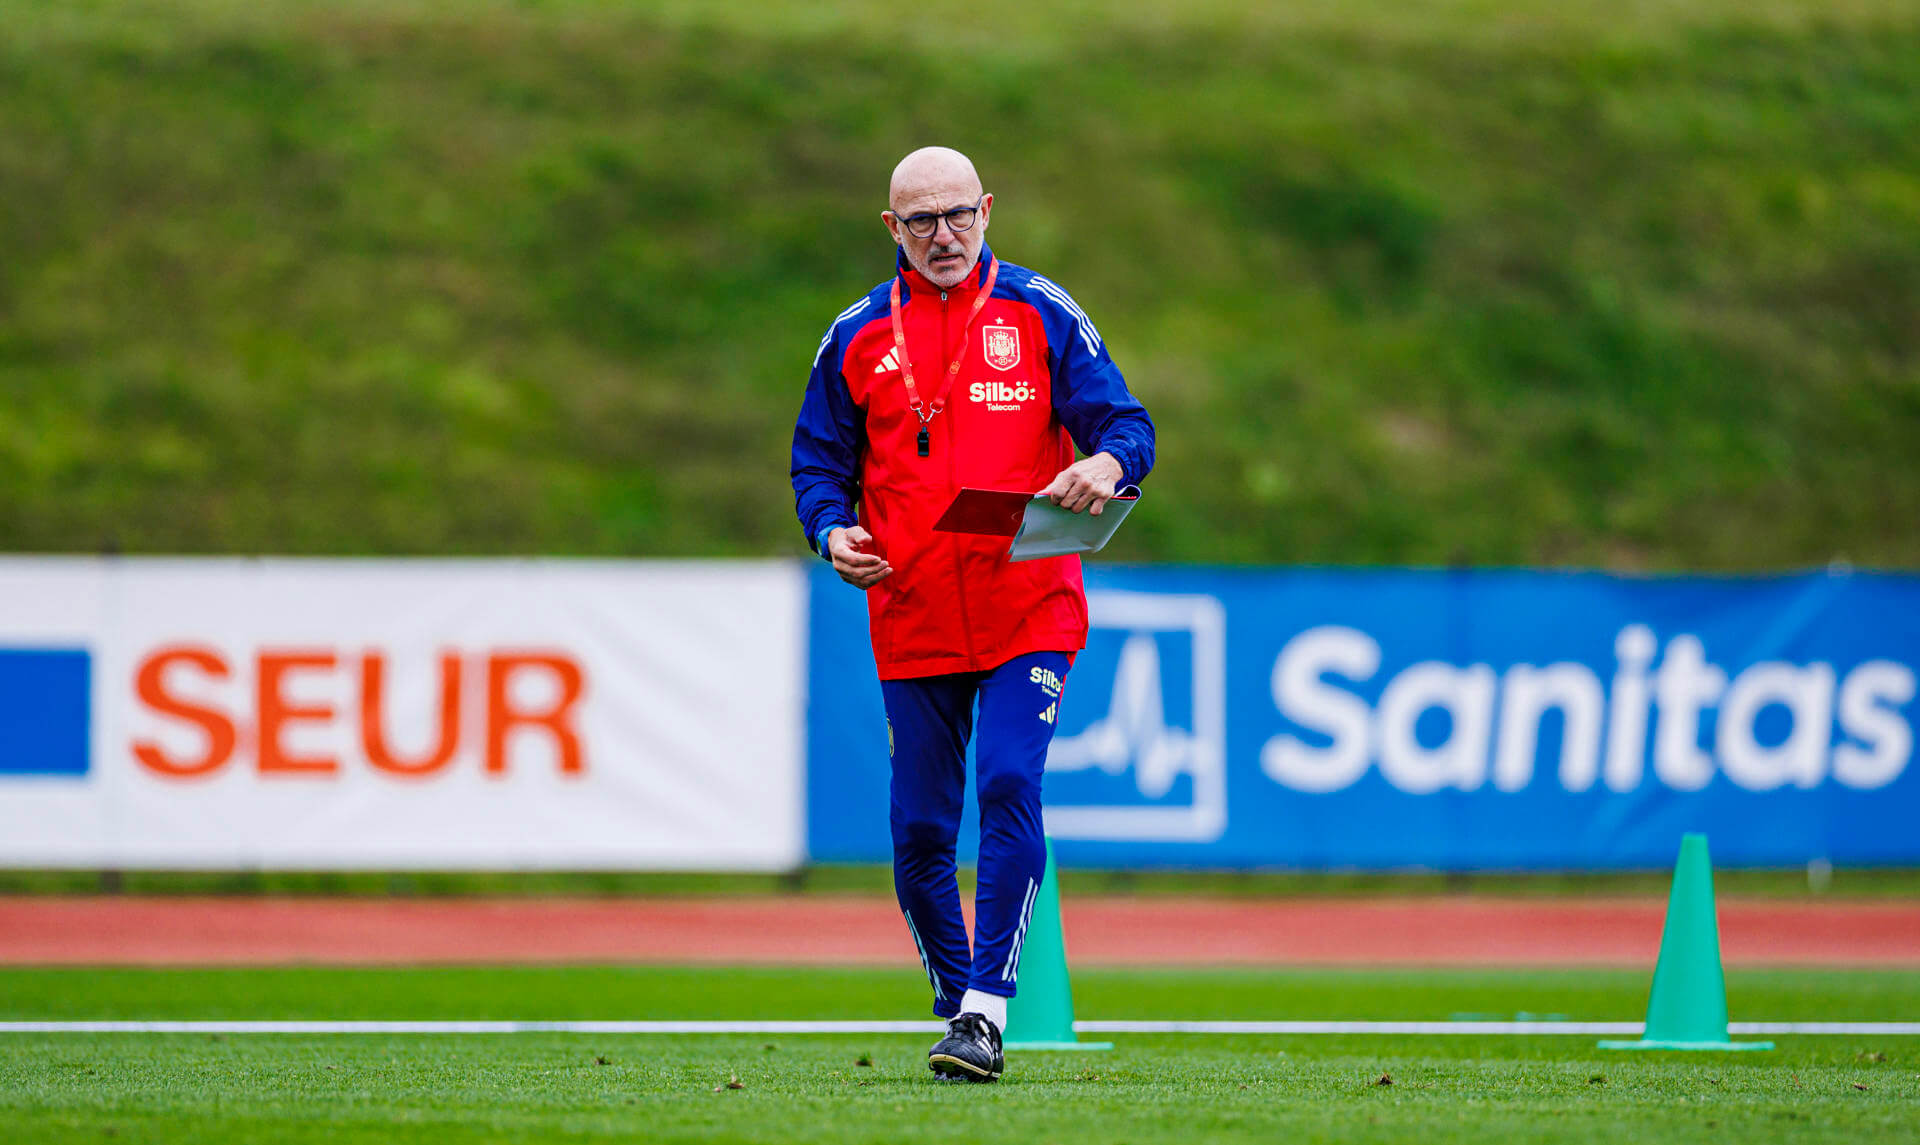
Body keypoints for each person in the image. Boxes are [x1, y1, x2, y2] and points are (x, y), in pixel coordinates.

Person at [790, 146, 1155, 1082]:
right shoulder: (857, 336)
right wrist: (832, 533)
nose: (944, 236)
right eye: (922, 222)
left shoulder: (1040, 310)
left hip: (1027, 603)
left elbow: (1127, 424)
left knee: (1004, 782)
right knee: (917, 831)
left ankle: (992, 1007)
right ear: (891, 229)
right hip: (911, 613)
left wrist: (1106, 467)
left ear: (988, 209)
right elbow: (817, 467)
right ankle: (962, 1008)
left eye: (959, 214)